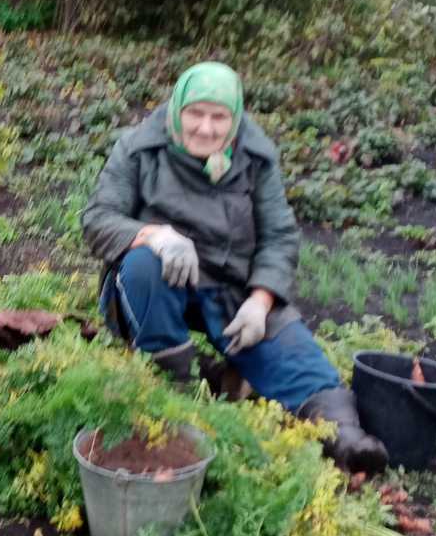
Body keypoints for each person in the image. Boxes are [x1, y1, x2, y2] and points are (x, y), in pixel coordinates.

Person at [81, 61, 388, 473]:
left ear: (235, 117)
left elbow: (280, 235)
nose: (205, 128)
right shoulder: (138, 149)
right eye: (195, 113)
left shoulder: (256, 159)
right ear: (176, 109)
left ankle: (345, 439)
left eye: (218, 117)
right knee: (141, 266)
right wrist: (157, 235)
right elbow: (98, 219)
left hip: (230, 288)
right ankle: (176, 387)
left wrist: (260, 303)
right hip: (158, 284)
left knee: (297, 360)